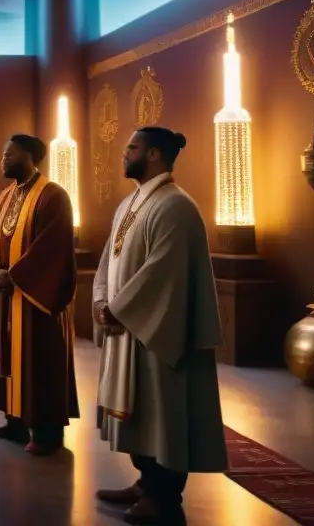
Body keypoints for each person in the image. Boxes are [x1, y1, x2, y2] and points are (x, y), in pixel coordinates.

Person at [94, 127, 227, 525]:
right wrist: (102, 301)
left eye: (132, 148)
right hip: (129, 327)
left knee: (163, 411)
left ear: (154, 154)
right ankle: (146, 482)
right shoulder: (131, 203)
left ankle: (166, 497)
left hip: (158, 332)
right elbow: (107, 262)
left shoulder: (175, 206)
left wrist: (118, 310)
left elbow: (162, 274)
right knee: (141, 413)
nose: (124, 153)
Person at [0, 133, 79, 455]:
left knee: (41, 361)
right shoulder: (2, 198)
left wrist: (15, 276)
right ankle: (15, 424)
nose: (3, 160)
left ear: (30, 156)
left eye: (10, 154)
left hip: (36, 297)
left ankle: (47, 433)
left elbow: (51, 249)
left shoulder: (53, 196)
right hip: (7, 295)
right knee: (8, 358)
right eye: (3, 154)